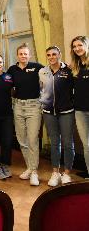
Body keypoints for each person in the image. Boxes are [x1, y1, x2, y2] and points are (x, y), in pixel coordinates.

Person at [7, 43, 43, 186]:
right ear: (17, 55)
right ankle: (29, 167)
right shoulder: (12, 69)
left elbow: (50, 75)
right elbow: (6, 85)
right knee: (22, 140)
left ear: (29, 55)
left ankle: (34, 172)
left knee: (33, 139)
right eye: (21, 54)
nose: (23, 56)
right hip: (18, 106)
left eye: (26, 54)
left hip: (34, 106)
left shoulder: (38, 67)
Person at [39, 46, 75, 186]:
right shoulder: (42, 71)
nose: (52, 57)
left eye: (54, 54)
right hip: (49, 113)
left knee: (67, 143)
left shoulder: (69, 70)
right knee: (54, 143)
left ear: (59, 54)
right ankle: (55, 172)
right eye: (49, 55)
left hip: (66, 112)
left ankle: (66, 173)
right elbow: (40, 89)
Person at [71, 36, 89, 177]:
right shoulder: (75, 67)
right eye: (74, 46)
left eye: (80, 45)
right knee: (86, 145)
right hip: (80, 110)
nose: (77, 48)